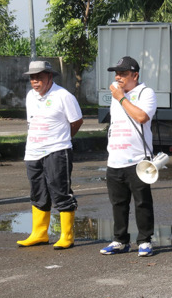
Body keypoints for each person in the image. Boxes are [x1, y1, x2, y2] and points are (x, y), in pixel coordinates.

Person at [17, 60, 83, 250]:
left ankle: (67, 236)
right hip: (33, 152)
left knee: (60, 192)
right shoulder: (31, 96)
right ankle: (39, 234)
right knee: (37, 192)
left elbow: (76, 121)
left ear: (50, 77)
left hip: (57, 150)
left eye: (39, 77)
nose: (35, 81)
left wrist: (62, 139)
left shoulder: (63, 96)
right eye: (32, 78)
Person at [99, 56, 157, 257]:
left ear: (135, 75)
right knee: (118, 202)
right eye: (116, 74)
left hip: (138, 158)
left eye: (123, 73)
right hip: (116, 157)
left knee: (142, 202)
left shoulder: (145, 93)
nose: (118, 77)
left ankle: (145, 241)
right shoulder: (117, 96)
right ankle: (120, 240)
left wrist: (122, 97)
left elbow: (141, 117)